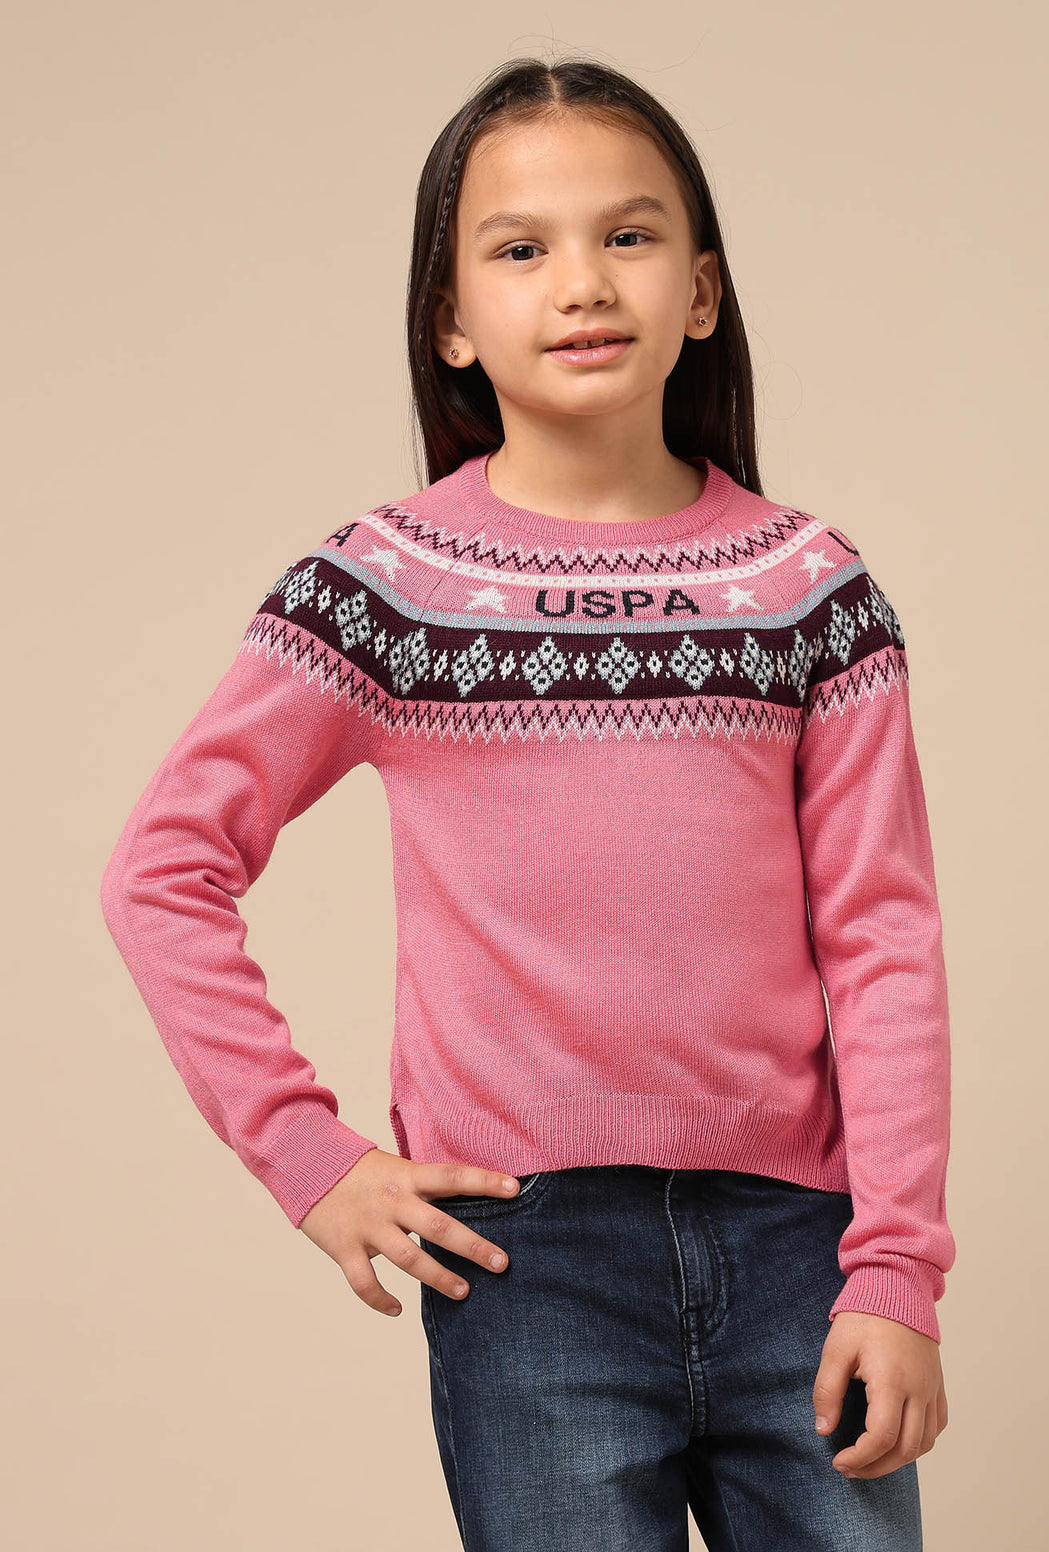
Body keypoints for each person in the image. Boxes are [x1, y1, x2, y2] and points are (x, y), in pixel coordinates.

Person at [100, 52, 955, 1552]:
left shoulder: (808, 590)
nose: (583, 282)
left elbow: (883, 941)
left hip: (803, 1251)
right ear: (450, 319)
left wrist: (896, 1270)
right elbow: (163, 869)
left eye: (629, 235)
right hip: (527, 1262)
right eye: (519, 248)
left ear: (701, 290)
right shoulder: (389, 589)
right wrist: (310, 1158)